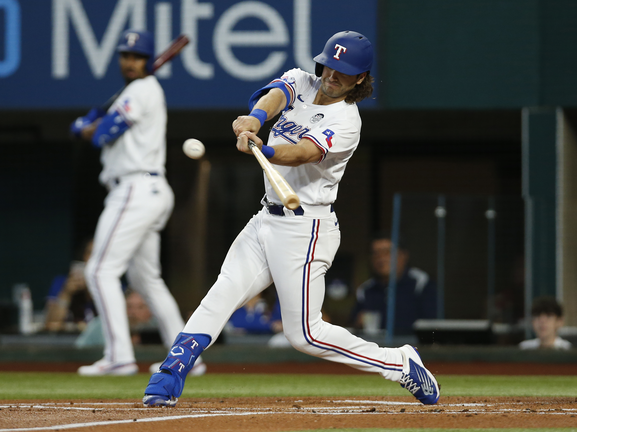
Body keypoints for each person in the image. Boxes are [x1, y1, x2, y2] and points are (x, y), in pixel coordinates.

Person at [143, 30, 439, 407]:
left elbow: (301, 152)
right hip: (265, 218)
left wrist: (262, 145)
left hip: (306, 226)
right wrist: (252, 120)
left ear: (360, 78)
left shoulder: (348, 121)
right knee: (222, 293)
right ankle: (170, 373)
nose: (332, 75)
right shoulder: (302, 79)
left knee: (305, 336)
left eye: (343, 71)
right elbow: (274, 96)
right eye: (330, 65)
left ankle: (398, 362)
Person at [69, 29, 204, 376]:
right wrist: (90, 121)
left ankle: (119, 356)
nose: (131, 62)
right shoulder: (136, 91)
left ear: (148, 60)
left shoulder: (143, 89)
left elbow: (104, 134)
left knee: (99, 270)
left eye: (138, 57)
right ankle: (189, 357)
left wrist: (86, 125)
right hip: (146, 191)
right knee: (147, 282)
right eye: (126, 56)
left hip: (135, 189)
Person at [349, 232, 437, 336]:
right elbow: (353, 325)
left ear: (403, 255)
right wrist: (358, 323)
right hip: (376, 348)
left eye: (387, 252)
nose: (381, 258)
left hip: (412, 348)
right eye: (375, 253)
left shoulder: (420, 283)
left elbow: (432, 327)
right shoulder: (366, 289)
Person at [44, 238, 96, 333]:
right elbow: (50, 325)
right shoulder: (62, 282)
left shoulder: (115, 285)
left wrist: (92, 291)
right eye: (90, 253)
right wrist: (66, 293)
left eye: (99, 254)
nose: (94, 259)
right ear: (83, 256)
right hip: (67, 342)